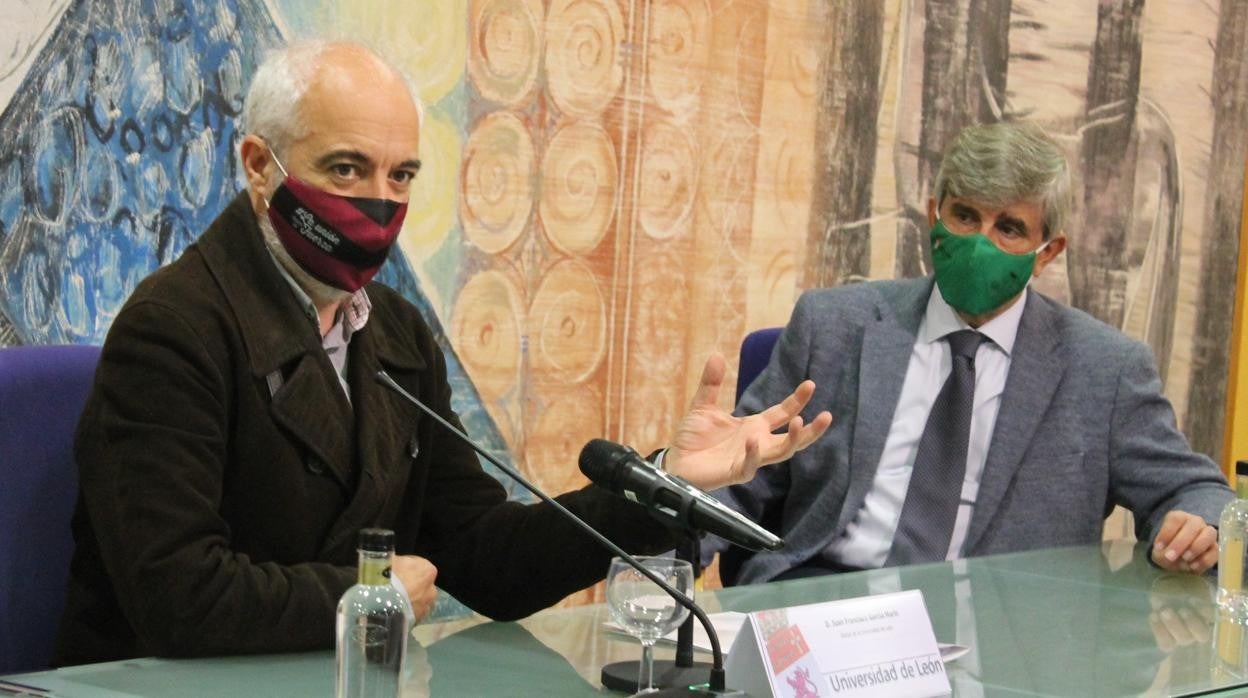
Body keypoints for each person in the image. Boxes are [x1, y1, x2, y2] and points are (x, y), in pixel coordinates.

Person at [53, 41, 832, 665]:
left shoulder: (392, 332)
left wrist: (662, 483)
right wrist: (369, 593)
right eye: (346, 168)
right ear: (261, 166)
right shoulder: (173, 328)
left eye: (403, 176)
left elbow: (483, 558)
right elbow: (175, 596)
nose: (379, 204)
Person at [709, 120, 1232, 585]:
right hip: (827, 603)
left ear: (1047, 252)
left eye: (1008, 228)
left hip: (1001, 637)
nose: (979, 242)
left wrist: (1197, 525)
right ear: (935, 216)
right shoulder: (834, 326)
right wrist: (651, 550)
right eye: (964, 217)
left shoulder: (1106, 370)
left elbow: (1198, 493)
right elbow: (737, 477)